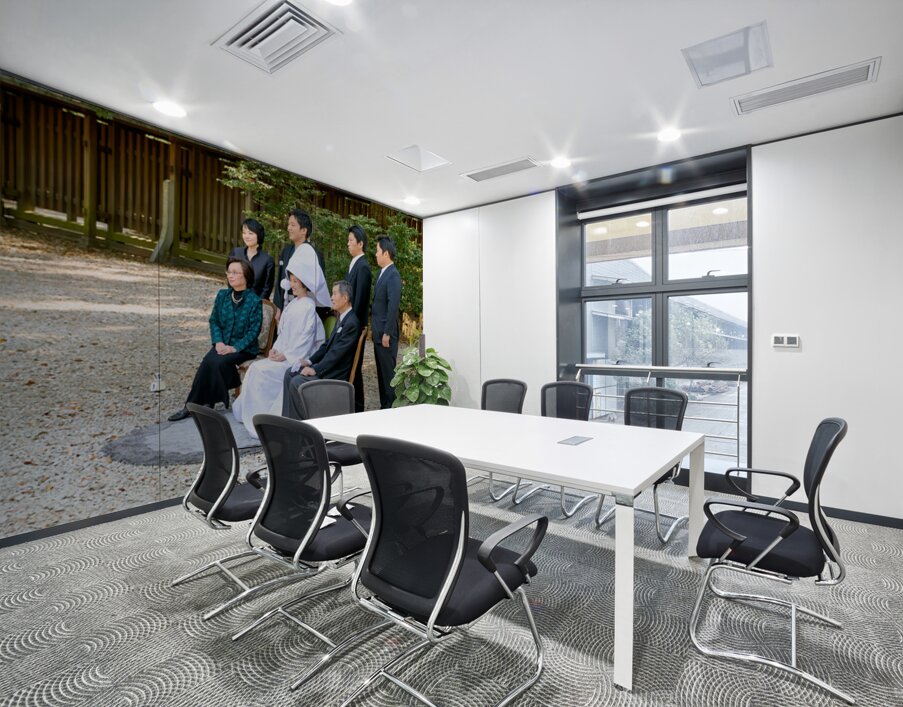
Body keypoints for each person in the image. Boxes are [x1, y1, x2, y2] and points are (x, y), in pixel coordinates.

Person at [232, 246, 325, 439]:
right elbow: (283, 335)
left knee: (261, 371)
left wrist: (287, 356)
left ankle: (263, 418)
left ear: (305, 283)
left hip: (297, 359)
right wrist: (275, 350)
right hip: (284, 354)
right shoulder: (293, 305)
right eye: (291, 280)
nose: (292, 285)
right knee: (257, 368)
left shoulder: (308, 308)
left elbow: (305, 342)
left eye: (296, 281)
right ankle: (251, 413)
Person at [168, 257, 262, 422]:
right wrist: (218, 342)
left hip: (243, 348)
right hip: (222, 344)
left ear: (246, 276)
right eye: (229, 272)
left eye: (235, 272)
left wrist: (234, 348)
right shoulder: (223, 295)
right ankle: (193, 405)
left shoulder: (255, 301)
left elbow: (253, 331)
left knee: (217, 362)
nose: (230, 276)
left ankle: (205, 403)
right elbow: (214, 321)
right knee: (208, 361)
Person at [282, 280, 360, 420]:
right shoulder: (342, 318)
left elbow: (336, 355)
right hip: (327, 368)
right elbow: (326, 347)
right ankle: (289, 421)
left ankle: (302, 427)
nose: (331, 297)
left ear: (345, 298)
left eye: (334, 293)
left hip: (334, 374)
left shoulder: (352, 323)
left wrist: (315, 369)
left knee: (296, 382)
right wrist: (308, 361)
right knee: (290, 372)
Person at [273, 209, 328, 318]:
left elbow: (317, 285)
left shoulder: (315, 254)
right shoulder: (286, 251)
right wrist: (278, 307)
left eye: (293, 225)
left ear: (303, 230)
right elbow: (280, 279)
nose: (288, 228)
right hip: (286, 305)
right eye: (288, 225)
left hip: (305, 309)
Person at [371, 236, 402, 409]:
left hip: (386, 336)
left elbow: (393, 306)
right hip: (378, 333)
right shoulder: (382, 273)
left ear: (386, 253)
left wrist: (387, 333)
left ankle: (391, 410)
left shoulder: (393, 275)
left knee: (389, 377)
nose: (375, 254)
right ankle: (384, 409)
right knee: (382, 376)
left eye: (377, 251)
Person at [346, 224, 372, 412]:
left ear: (360, 243)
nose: (348, 244)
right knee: (351, 369)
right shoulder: (354, 263)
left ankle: (358, 408)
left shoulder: (363, 267)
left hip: (355, 326)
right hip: (350, 324)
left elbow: (360, 299)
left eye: (351, 241)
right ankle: (354, 407)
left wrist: (351, 324)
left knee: (355, 367)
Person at [228, 218, 274, 300]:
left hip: (255, 304)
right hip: (234, 301)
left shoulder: (267, 260)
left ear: (258, 235)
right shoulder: (236, 252)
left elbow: (267, 289)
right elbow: (230, 279)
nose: (246, 236)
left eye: (250, 233)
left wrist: (256, 305)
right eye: (244, 233)